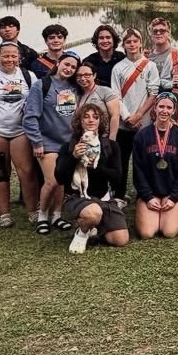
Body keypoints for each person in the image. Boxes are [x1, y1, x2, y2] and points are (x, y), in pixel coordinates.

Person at [0, 42, 37, 229]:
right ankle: (5, 213)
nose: (9, 59)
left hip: (21, 130)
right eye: (5, 55)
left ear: (19, 57)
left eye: (13, 56)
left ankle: (33, 210)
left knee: (26, 171)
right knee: (0, 172)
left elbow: (35, 102)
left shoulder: (28, 76)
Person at [54, 103, 129, 254]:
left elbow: (117, 178)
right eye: (86, 117)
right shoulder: (69, 146)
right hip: (78, 196)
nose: (91, 120)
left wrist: (98, 166)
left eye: (95, 117)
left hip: (104, 198)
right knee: (93, 213)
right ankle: (82, 232)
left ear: (100, 121)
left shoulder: (111, 146)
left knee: (120, 239)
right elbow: (59, 178)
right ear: (79, 121)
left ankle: (93, 227)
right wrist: (73, 157)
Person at [23, 52, 82, 235]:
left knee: (62, 181)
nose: (69, 69)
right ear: (58, 63)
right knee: (51, 180)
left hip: (68, 142)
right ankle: (42, 215)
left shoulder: (75, 88)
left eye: (73, 67)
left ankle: (57, 215)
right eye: (66, 64)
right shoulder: (42, 85)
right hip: (47, 141)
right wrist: (37, 142)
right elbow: (30, 116)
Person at [110, 29, 160, 205]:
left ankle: (145, 192)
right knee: (122, 160)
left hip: (145, 122)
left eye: (135, 41)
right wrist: (127, 116)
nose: (132, 44)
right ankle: (119, 194)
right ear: (123, 45)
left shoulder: (150, 66)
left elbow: (153, 93)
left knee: (145, 159)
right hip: (125, 123)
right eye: (128, 42)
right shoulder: (118, 67)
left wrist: (139, 115)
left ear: (141, 43)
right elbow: (115, 95)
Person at [132, 93, 178, 239]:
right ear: (155, 108)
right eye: (161, 106)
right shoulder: (142, 135)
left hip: (172, 192)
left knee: (169, 232)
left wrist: (174, 197)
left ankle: (175, 205)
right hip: (150, 192)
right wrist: (148, 197)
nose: (165, 110)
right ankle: (151, 206)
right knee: (147, 233)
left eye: (169, 107)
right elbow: (138, 171)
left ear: (174, 110)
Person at [74, 63, 122, 138]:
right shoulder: (78, 95)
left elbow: (115, 115)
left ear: (94, 75)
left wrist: (112, 139)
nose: (83, 78)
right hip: (83, 138)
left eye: (87, 75)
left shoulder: (105, 91)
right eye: (79, 75)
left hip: (103, 138)